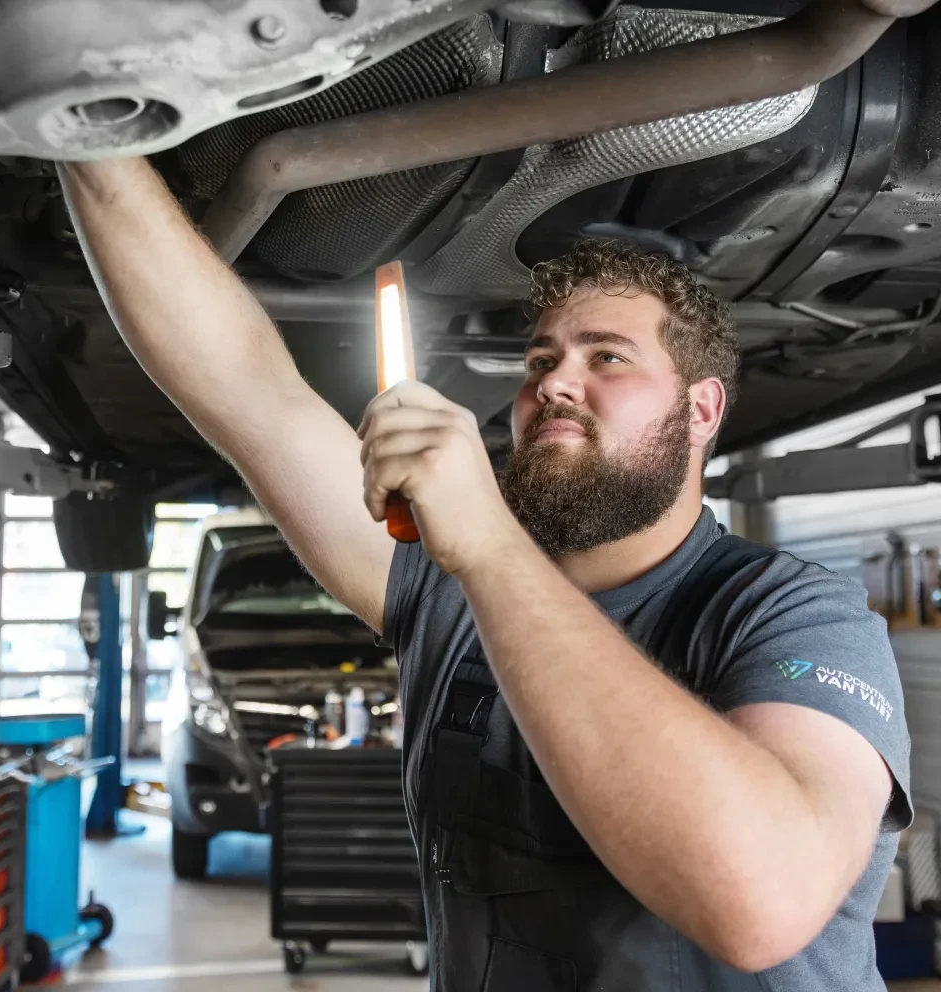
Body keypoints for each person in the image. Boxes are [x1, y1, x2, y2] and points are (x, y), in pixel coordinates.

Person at [63, 158, 912, 991]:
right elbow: (249, 388)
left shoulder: (796, 614)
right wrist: (89, 134)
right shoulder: (443, 585)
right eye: (542, 362)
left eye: (606, 358)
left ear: (700, 409)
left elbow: (761, 903)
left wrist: (490, 545)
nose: (556, 385)